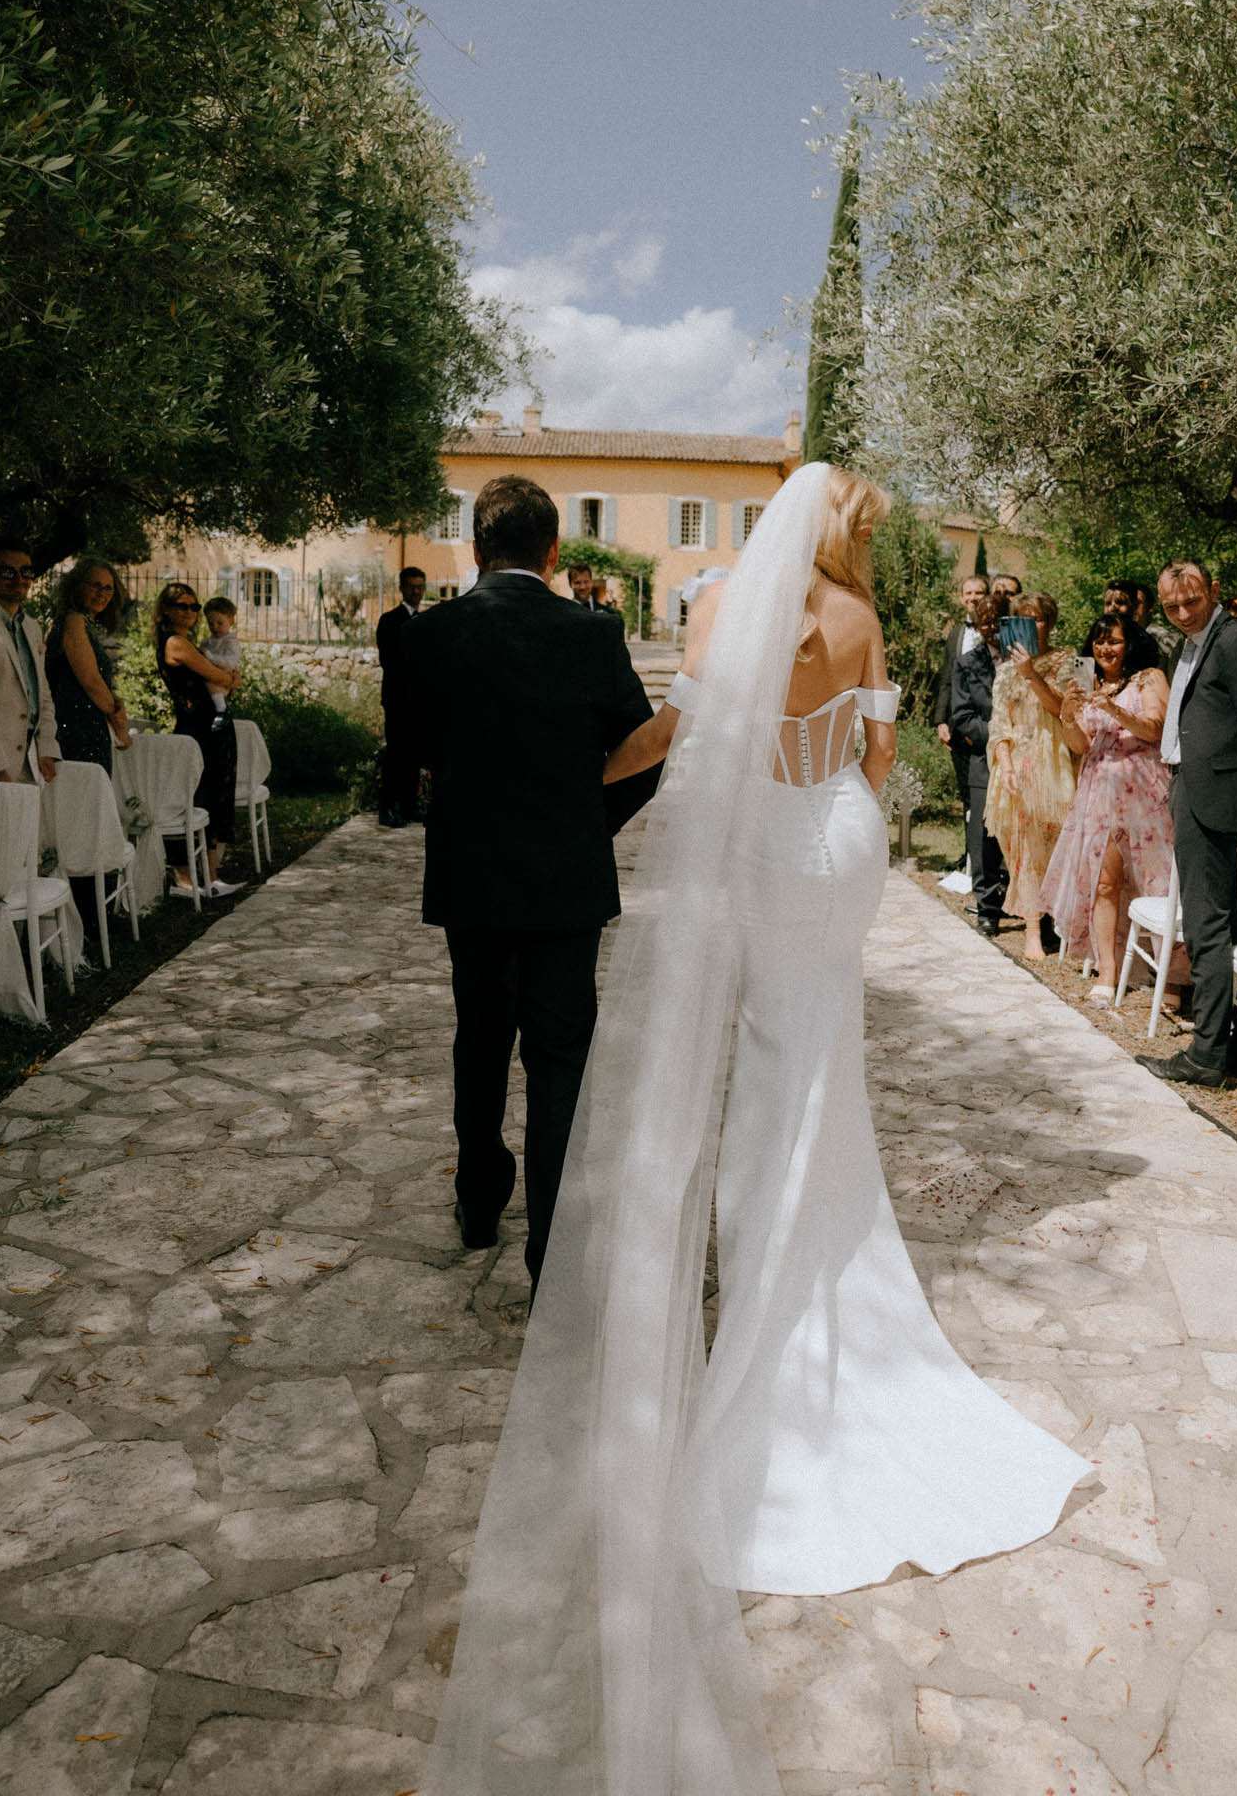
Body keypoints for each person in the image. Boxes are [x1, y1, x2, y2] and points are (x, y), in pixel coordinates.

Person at [433, 462, 1089, 1793]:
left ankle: (773, 1285)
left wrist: (571, 783)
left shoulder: (726, 606)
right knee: (818, 1067)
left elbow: (675, 735)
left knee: (767, 1075)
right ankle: (819, 1265)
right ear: (848, 533)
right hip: (840, 843)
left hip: (766, 850)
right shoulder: (860, 620)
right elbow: (880, 757)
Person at [408, 476, 660, 1289]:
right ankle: (551, 1247)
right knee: (560, 1061)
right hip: (564, 884)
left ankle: (479, 1201)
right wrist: (586, 822)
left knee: (479, 1042)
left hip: (472, 878)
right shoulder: (592, 633)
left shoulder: (429, 633)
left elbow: (410, 748)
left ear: (476, 548)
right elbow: (643, 751)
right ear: (553, 553)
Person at [1136, 558, 1237, 1088]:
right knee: (1229, 922)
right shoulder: (1193, 641)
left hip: (1214, 797)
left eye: (1191, 600)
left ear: (1214, 590)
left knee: (1207, 925)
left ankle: (1206, 1054)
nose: (1182, 612)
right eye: (1171, 606)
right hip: (1193, 788)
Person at [1041, 612, 1175, 1001]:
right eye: (1099, 641)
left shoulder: (1148, 677)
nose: (1105, 648)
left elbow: (1155, 728)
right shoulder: (1092, 682)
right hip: (1099, 793)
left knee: (1156, 882)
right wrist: (1068, 715)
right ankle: (1107, 971)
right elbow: (1081, 744)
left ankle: (1172, 976)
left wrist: (1113, 709)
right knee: (1104, 882)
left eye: (1113, 640)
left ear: (1129, 643)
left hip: (1144, 793)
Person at [985, 592, 1079, 958]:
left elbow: (1063, 710)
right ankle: (1031, 930)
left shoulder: (1065, 661)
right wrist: (1006, 765)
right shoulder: (1005, 669)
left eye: (1037, 618)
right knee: (1022, 846)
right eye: (1022, 619)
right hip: (1015, 765)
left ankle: (1056, 921)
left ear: (1049, 622)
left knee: (1053, 846)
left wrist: (1031, 674)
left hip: (1053, 763)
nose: (1031, 626)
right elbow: (999, 723)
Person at [154, 582, 240, 899]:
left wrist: (227, 678)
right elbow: (219, 676)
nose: (190, 612)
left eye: (194, 606)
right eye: (182, 606)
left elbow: (222, 677)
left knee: (214, 797)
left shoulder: (192, 642)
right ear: (166, 610)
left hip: (209, 726)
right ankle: (186, 878)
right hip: (197, 729)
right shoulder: (176, 643)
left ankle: (211, 877)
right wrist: (229, 678)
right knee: (197, 798)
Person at [950, 592, 1010, 933]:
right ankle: (987, 907)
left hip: (1025, 761)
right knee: (984, 837)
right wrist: (998, 736)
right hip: (985, 761)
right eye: (986, 622)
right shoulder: (967, 663)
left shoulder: (1024, 659)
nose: (993, 628)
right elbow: (962, 716)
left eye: (999, 620)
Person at [44, 558, 129, 777]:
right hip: (77, 730)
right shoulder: (74, 621)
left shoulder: (83, 623)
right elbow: (91, 681)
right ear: (78, 586)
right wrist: (119, 720)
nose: (102, 593)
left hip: (88, 728)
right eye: (95, 585)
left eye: (108, 588)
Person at [0, 534, 59, 786]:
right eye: (7, 572)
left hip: (29, 765)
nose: (19, 579)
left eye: (26, 572)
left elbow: (42, 695)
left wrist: (47, 748)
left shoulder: (32, 628)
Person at [933, 571, 990, 815]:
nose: (973, 597)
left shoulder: (995, 631)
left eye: (979, 592)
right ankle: (969, 841)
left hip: (987, 725)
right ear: (961, 598)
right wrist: (940, 720)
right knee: (966, 794)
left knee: (989, 796)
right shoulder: (956, 633)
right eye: (968, 592)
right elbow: (946, 678)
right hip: (958, 724)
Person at [375, 565, 426, 828]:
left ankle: (409, 805)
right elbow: (389, 660)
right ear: (402, 588)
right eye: (412, 587)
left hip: (418, 699)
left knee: (414, 754)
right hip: (397, 698)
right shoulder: (389, 620)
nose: (416, 592)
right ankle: (387, 808)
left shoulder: (425, 621)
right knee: (395, 753)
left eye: (420, 587)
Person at [200, 596, 241, 725]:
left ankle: (222, 711)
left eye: (220, 623)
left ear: (231, 620)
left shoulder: (230, 642)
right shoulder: (209, 641)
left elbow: (231, 662)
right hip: (212, 675)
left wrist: (210, 657)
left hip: (223, 677)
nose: (215, 627)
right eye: (211, 624)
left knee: (210, 684)